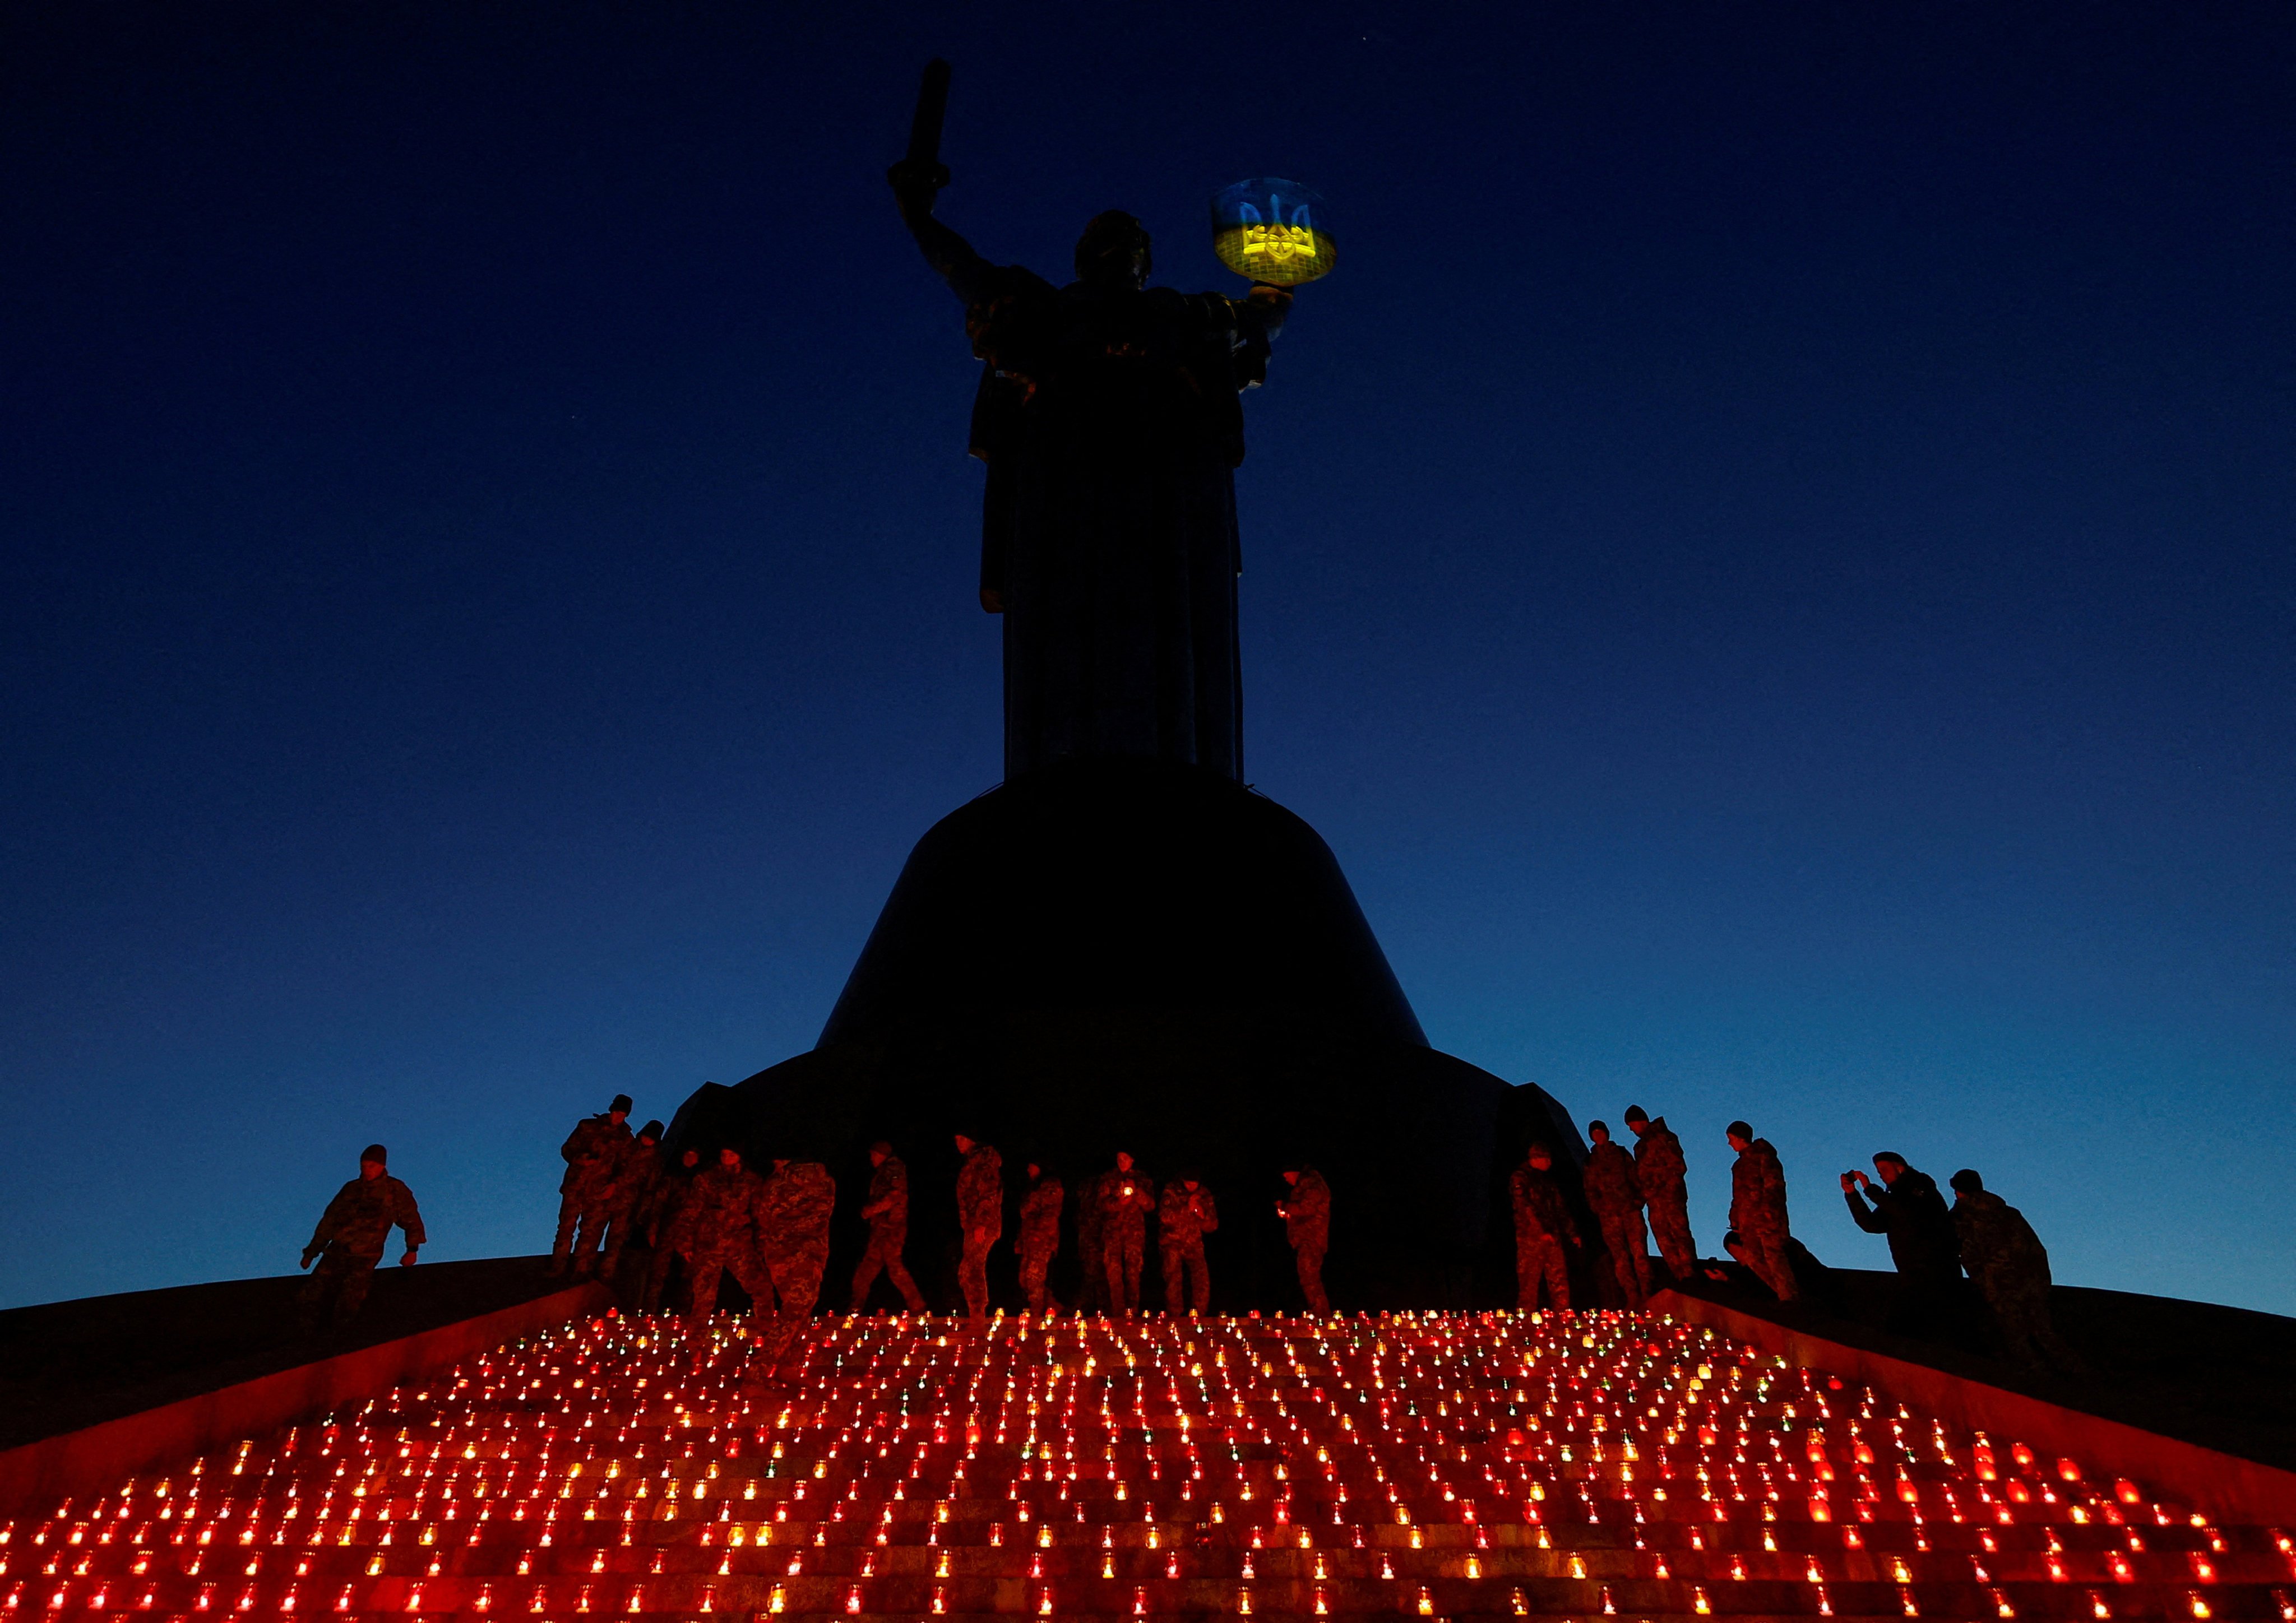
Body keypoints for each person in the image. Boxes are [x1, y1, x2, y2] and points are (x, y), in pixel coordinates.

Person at [1950, 1169, 2086, 1372]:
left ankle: (2040, 1382)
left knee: (2014, 1338)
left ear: (1958, 1191)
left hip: (1999, 1286)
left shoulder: (1963, 1217)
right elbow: (2035, 1248)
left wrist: (1984, 1282)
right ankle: (2078, 1373)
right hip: (2032, 1282)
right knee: (2044, 1332)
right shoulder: (2008, 1213)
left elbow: (1969, 1253)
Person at [299, 1144, 424, 1335]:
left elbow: (411, 1219)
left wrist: (412, 1249)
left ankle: (339, 1338)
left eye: (372, 1166)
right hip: (337, 1250)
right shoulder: (351, 1189)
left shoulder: (394, 1190)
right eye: (364, 1166)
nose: (367, 1171)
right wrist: (311, 1252)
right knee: (312, 1294)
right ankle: (303, 1335)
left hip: (366, 1255)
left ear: (382, 1166)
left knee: (350, 1300)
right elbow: (329, 1221)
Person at [1842, 1152, 1965, 1338]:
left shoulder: (1921, 1188)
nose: (1881, 1175)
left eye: (1884, 1170)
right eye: (1878, 1172)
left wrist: (1871, 1189)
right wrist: (1852, 1194)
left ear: (1900, 1167)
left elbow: (1908, 1214)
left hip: (1937, 1272)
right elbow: (1872, 1224)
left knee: (1941, 1325)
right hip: (1911, 1274)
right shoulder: (1892, 1199)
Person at [681, 1146, 774, 1336]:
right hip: (709, 1244)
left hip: (740, 1244)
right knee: (703, 1298)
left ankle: (767, 1333)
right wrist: (685, 1242)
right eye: (723, 1155)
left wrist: (762, 1245)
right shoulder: (707, 1178)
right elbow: (691, 1211)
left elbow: (759, 1216)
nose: (727, 1158)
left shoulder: (752, 1181)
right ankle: (693, 1345)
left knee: (762, 1288)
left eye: (731, 1155)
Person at [759, 1156, 837, 1356]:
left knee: (793, 1311)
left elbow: (764, 1217)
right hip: (810, 1253)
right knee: (798, 1311)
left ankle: (770, 1368)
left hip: (779, 1253)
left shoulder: (775, 1184)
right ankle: (778, 1365)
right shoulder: (826, 1181)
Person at [552, 1094, 633, 1276]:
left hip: (598, 1192)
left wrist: (613, 1185)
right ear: (612, 1110)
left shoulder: (626, 1140)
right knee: (566, 1229)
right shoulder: (587, 1126)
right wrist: (580, 1159)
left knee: (589, 1233)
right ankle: (558, 1268)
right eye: (617, 1112)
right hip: (576, 1186)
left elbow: (624, 1167)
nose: (619, 1116)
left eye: (623, 1114)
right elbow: (567, 1149)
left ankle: (579, 1272)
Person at [849, 1141, 928, 1315]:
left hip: (892, 1228)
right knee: (868, 1268)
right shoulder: (884, 1172)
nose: (871, 1159)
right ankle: (855, 1308)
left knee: (894, 1267)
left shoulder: (894, 1169)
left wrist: (871, 1210)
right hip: (881, 1228)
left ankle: (918, 1308)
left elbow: (895, 1196)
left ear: (880, 1155)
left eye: (873, 1155)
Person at [1582, 1120, 1652, 1309]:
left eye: (1600, 1132)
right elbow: (1590, 1190)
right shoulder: (1590, 1162)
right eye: (1594, 1134)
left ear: (1607, 1133)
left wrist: (1638, 1202)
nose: (1598, 1136)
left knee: (1639, 1253)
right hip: (1609, 1217)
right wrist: (1599, 1208)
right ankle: (1632, 1295)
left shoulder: (1621, 1154)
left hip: (1629, 1211)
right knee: (1620, 1258)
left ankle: (1647, 1292)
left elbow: (1635, 1178)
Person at [1624, 1106, 1697, 1285]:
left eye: (1631, 1125)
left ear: (1640, 1121)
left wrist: (1660, 1188)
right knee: (1663, 1239)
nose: (1631, 1130)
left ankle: (1691, 1275)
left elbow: (1677, 1166)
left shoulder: (1664, 1137)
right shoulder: (1640, 1147)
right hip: (1654, 1202)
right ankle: (1680, 1276)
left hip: (1670, 1197)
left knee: (1680, 1234)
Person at [1726, 1121, 1798, 1302]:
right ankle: (1783, 1295)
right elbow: (1738, 1194)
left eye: (1731, 1139)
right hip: (1747, 1223)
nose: (1730, 1143)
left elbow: (1774, 1185)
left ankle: (1791, 1298)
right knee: (1754, 1259)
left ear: (1741, 1138)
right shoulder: (1739, 1166)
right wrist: (1735, 1218)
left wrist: (1769, 1212)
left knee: (1774, 1258)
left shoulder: (1764, 1156)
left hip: (1767, 1220)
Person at [1508, 1143, 1580, 1310]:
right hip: (1530, 1239)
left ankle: (1563, 1320)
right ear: (1537, 1159)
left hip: (1553, 1237)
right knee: (1529, 1283)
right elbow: (1524, 1207)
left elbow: (1561, 1209)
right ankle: (1525, 1323)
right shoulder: (1520, 1178)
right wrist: (1541, 1232)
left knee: (1560, 1281)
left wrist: (1573, 1233)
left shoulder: (1548, 1181)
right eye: (1547, 1159)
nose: (1550, 1163)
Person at [638, 1146, 704, 1314]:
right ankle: (649, 1313)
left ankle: (683, 1316)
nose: (690, 1159)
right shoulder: (671, 1178)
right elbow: (658, 1205)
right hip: (668, 1231)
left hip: (691, 1235)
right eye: (687, 1154)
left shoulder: (701, 1182)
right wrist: (653, 1230)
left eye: (694, 1155)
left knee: (688, 1278)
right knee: (658, 1275)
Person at [597, 1120, 663, 1284]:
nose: (648, 1141)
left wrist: (642, 1212)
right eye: (647, 1136)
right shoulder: (627, 1147)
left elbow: (650, 1188)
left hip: (628, 1204)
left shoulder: (655, 1160)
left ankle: (606, 1274)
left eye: (652, 1139)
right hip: (607, 1198)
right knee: (592, 1234)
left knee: (616, 1240)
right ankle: (583, 1269)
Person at [1096, 1151, 1156, 1312]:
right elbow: (1101, 1205)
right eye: (1119, 1159)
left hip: (1134, 1233)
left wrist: (1137, 1191)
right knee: (1114, 1273)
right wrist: (1119, 1204)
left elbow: (1150, 1205)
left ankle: (1132, 1311)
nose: (1122, 1162)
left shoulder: (1142, 1179)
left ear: (1132, 1160)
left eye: (1125, 1159)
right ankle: (1117, 1310)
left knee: (1133, 1272)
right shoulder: (1108, 1179)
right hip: (1113, 1232)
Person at [953, 1133, 1003, 1321]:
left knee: (972, 1268)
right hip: (973, 1225)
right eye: (956, 1139)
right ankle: (976, 1316)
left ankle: (978, 1319)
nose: (958, 1144)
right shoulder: (973, 1160)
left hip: (982, 1224)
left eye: (961, 1139)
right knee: (967, 1270)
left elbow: (989, 1190)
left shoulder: (984, 1159)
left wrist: (982, 1222)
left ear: (971, 1139)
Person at [1158, 1174, 1219, 1314]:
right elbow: (1165, 1217)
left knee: (1202, 1280)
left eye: (1194, 1183)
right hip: (1172, 1243)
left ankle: (1199, 1315)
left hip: (1194, 1244)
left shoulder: (1204, 1194)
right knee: (1173, 1280)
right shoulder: (1171, 1191)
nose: (1191, 1186)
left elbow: (1212, 1225)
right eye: (1188, 1182)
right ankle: (1175, 1317)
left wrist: (1201, 1214)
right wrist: (1188, 1207)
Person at [1276, 1165, 1331, 1315]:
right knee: (1307, 1275)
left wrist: (1286, 1206)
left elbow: (1307, 1208)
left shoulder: (1313, 1185)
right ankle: (1317, 1309)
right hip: (1304, 1238)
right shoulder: (1306, 1186)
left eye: (1286, 1175)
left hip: (1312, 1238)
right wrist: (1287, 1214)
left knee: (1309, 1274)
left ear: (1295, 1172)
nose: (1286, 1179)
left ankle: (1321, 1313)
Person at [1017, 1162, 1063, 1316]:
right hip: (1029, 1239)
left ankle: (1037, 1315)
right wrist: (1021, 1240)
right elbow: (1026, 1217)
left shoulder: (1050, 1185)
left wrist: (1039, 1234)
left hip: (1042, 1240)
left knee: (1034, 1278)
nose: (1028, 1169)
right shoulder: (1032, 1187)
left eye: (1032, 1165)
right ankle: (1052, 1307)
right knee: (1025, 1278)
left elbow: (1051, 1212)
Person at [1073, 1165, 1108, 1312]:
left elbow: (1100, 1211)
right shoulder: (1086, 1188)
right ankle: (1090, 1304)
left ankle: (1102, 1307)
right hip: (1087, 1236)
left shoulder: (1100, 1186)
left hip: (1097, 1236)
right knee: (1089, 1270)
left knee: (1098, 1273)